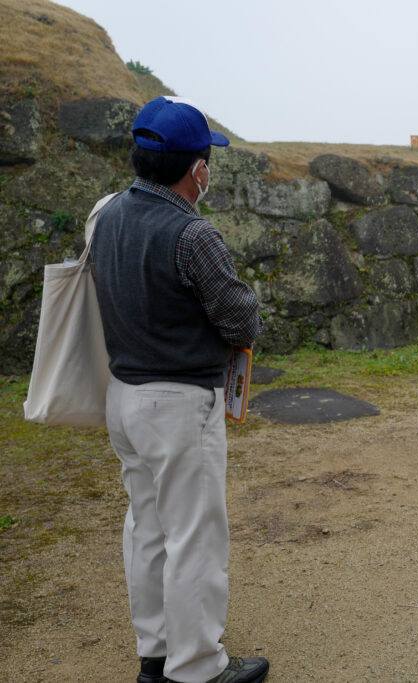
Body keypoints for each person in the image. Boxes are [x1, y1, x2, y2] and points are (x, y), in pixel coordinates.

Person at [91, 96, 269, 683]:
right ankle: (197, 668)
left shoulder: (107, 214)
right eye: (206, 161)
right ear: (197, 171)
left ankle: (158, 653)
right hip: (178, 404)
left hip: (124, 396)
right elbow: (241, 321)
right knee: (193, 535)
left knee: (147, 527)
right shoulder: (193, 234)